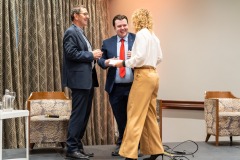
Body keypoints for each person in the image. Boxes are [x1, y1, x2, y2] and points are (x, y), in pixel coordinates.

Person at [114, 8, 165, 160]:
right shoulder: (153, 36)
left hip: (142, 75)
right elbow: (160, 57)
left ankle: (129, 153)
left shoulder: (141, 34)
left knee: (134, 113)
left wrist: (122, 62)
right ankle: (156, 150)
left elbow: (140, 57)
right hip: (154, 75)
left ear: (137, 20)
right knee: (150, 114)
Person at [62, 5, 102, 160]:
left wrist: (94, 55)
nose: (88, 16)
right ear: (75, 16)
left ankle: (78, 146)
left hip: (87, 80)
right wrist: (91, 54)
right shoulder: (71, 32)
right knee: (78, 115)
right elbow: (71, 53)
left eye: (88, 14)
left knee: (84, 115)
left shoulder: (81, 33)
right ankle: (71, 148)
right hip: (79, 81)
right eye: (85, 14)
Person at [97, 14, 135, 156]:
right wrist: (106, 62)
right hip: (115, 88)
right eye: (119, 26)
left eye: (124, 25)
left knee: (133, 118)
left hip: (134, 87)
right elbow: (100, 60)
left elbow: (144, 58)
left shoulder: (136, 39)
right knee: (120, 118)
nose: (122, 28)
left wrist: (135, 56)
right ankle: (122, 145)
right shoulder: (108, 42)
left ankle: (133, 146)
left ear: (127, 25)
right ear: (114, 28)